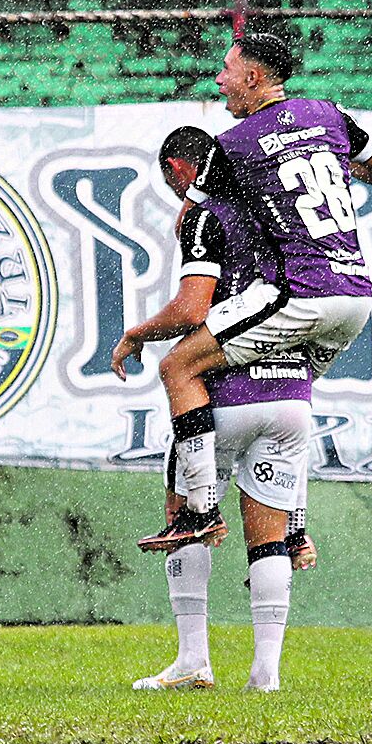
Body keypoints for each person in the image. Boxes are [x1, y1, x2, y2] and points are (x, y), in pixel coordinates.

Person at [140, 30, 372, 552]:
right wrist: (321, 159)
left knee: (178, 366)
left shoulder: (231, 146)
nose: (220, 79)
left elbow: (194, 213)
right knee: (293, 399)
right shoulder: (328, 114)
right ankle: (295, 527)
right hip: (357, 297)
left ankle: (198, 512)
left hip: (304, 292)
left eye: (228, 69)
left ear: (254, 77)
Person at [115, 128, 316, 692]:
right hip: (292, 392)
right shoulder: (280, 212)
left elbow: (192, 308)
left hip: (228, 391)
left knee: (184, 513)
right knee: (269, 536)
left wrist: (137, 335)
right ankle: (266, 674)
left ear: (181, 170)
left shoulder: (208, 217)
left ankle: (193, 658)